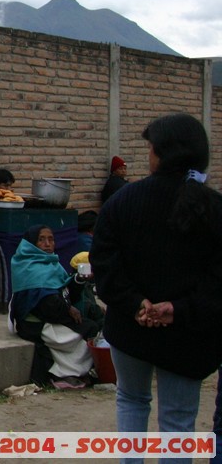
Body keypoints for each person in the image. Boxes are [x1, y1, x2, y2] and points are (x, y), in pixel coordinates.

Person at [92, 113, 222, 457]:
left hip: (130, 329)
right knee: (178, 421)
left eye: (150, 148)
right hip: (189, 334)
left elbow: (104, 264)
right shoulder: (213, 209)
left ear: (162, 153)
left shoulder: (123, 201)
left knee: (132, 401)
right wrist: (177, 310)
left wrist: (136, 304)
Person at [9, 224, 99, 388]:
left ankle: (74, 372)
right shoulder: (28, 265)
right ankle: (66, 373)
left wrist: (78, 279)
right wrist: (68, 309)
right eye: (41, 240)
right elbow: (45, 305)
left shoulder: (52, 264)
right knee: (90, 329)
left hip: (53, 315)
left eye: (51, 239)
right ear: (31, 244)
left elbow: (64, 293)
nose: (48, 244)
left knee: (94, 322)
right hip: (35, 323)